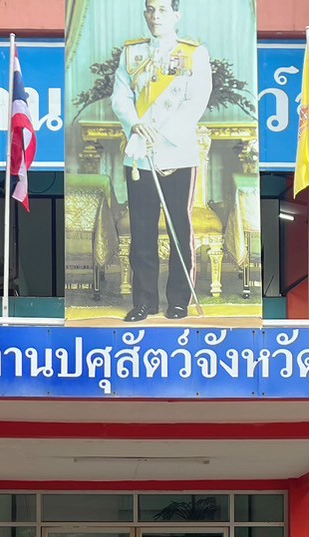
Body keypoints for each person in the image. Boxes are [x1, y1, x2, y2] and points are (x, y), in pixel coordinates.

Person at [110, 0, 213, 322]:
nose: (155, 16)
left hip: (177, 154)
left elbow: (196, 100)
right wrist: (134, 123)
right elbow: (120, 96)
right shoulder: (132, 53)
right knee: (142, 231)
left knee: (179, 228)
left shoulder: (194, 53)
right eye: (150, 9)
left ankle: (178, 300)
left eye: (163, 10)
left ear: (176, 15)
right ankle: (144, 302)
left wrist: (162, 134)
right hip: (140, 155)